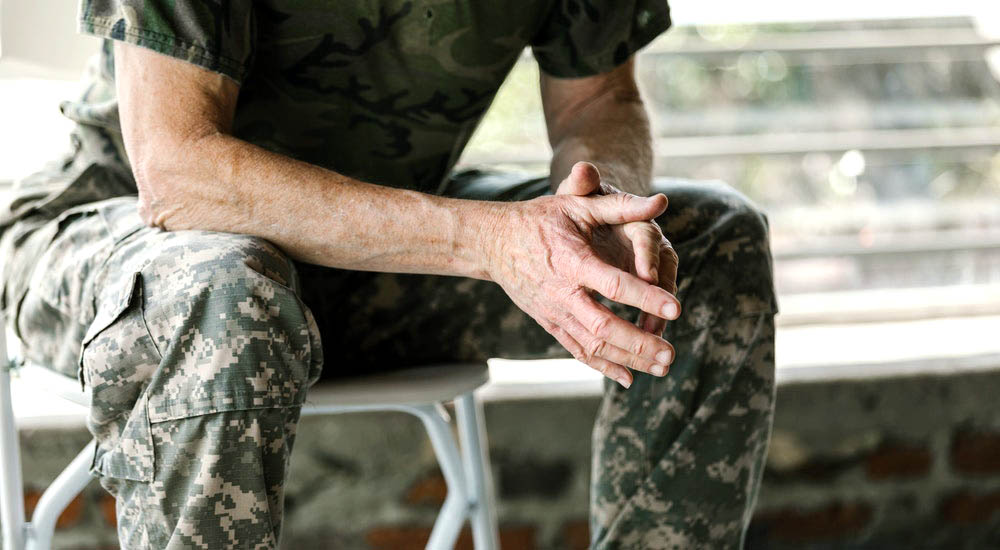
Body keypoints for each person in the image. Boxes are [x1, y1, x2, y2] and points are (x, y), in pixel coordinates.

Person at [0, 1, 777, 548]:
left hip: (377, 251)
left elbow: (600, 96)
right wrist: (493, 244)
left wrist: (598, 198)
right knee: (226, 288)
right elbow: (178, 173)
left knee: (711, 246)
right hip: (126, 231)